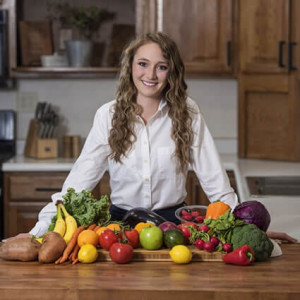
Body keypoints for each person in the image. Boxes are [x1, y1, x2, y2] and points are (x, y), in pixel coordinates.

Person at [4, 32, 297, 244]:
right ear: (130, 66)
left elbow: (216, 184)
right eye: (143, 63)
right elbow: (76, 187)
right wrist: (37, 232)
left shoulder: (188, 113)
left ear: (171, 72)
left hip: (175, 228)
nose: (151, 74)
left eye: (161, 66)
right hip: (120, 230)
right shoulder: (108, 115)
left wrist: (247, 227)